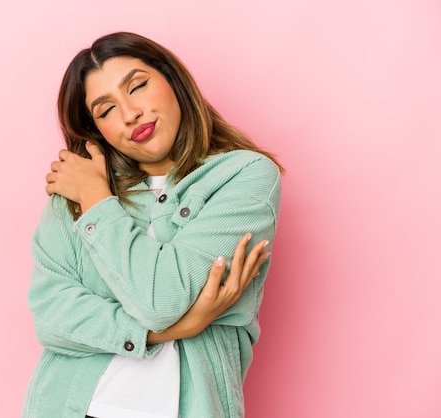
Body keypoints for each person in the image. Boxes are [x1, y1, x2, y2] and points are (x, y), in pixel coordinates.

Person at [22, 32, 282, 418]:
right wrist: (166, 331)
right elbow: (51, 317)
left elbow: (161, 300)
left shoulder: (244, 176)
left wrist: (97, 199)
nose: (130, 114)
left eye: (138, 86)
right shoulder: (75, 192)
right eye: (106, 110)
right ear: (96, 131)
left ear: (172, 79)